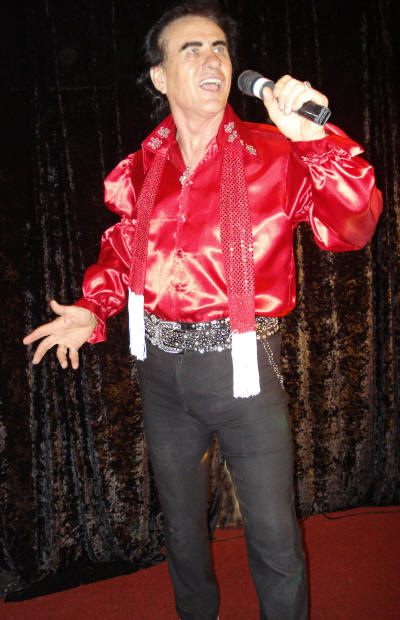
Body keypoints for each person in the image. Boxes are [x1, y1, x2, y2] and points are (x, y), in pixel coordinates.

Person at [23, 2, 382, 618]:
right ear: (160, 76)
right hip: (161, 374)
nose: (212, 58)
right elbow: (125, 251)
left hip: (244, 373)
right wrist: (92, 307)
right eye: (191, 48)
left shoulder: (276, 151)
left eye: (219, 47)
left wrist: (315, 142)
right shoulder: (145, 165)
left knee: (274, 536)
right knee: (182, 528)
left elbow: (354, 227)